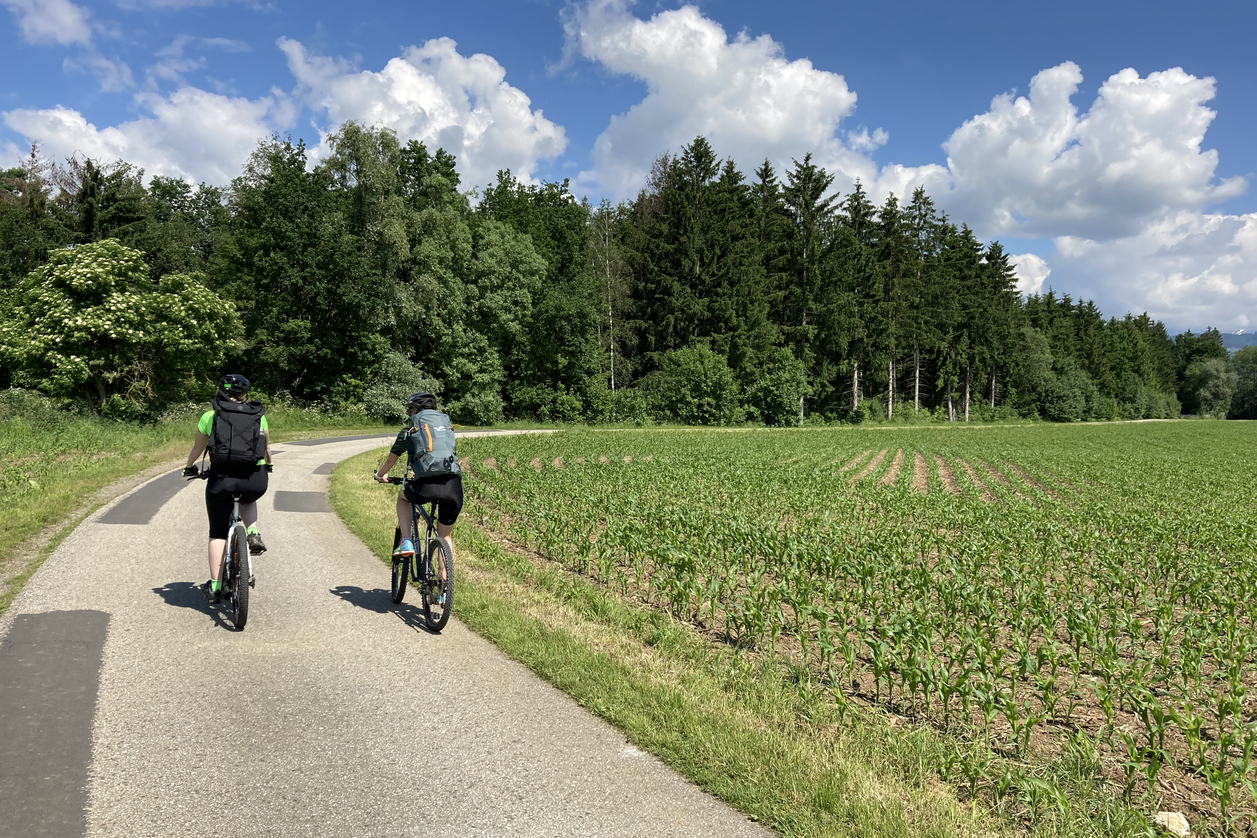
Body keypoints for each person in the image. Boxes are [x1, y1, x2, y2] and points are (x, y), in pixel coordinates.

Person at [183, 374, 273, 603]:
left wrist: (189, 467)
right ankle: (252, 532)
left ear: (221, 392)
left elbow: (197, 448)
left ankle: (215, 587)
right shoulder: (258, 416)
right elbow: (266, 449)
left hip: (221, 478)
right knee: (248, 497)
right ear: (245, 394)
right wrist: (268, 466)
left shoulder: (209, 417)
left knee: (217, 532)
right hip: (255, 479)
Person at [373, 392, 462, 558]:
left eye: (411, 410)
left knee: (403, 497)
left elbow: (390, 461)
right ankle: (445, 582)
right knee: (445, 536)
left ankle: (406, 540)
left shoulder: (409, 431)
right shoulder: (445, 429)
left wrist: (380, 475)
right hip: (454, 487)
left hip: (426, 486)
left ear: (415, 411)